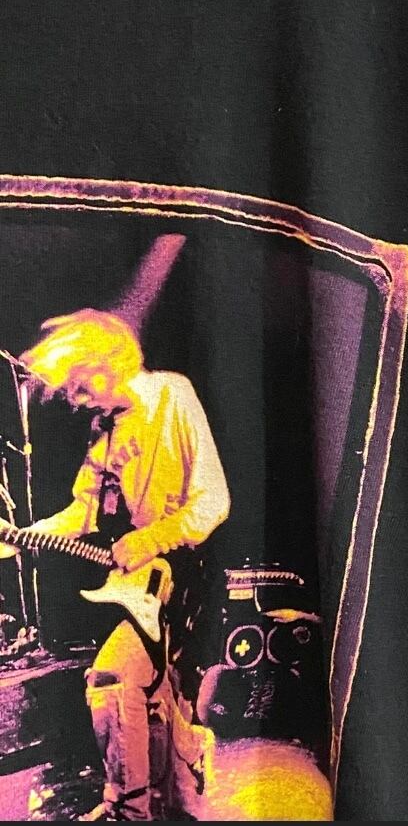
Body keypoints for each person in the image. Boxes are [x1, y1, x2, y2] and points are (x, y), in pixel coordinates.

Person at [15, 308, 231, 820]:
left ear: (108, 360)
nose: (73, 397)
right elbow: (83, 510)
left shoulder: (172, 395)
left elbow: (213, 501)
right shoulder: (104, 429)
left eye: (78, 383)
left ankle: (128, 808)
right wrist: (24, 534)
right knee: (149, 699)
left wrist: (152, 538)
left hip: (188, 571)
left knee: (114, 678)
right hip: (140, 583)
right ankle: (181, 759)